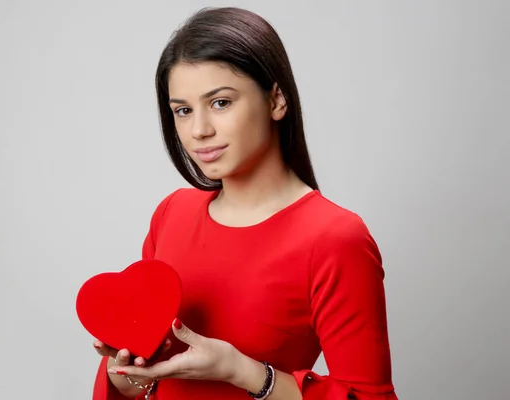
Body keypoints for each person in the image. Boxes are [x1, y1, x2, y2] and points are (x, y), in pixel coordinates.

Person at [91, 6, 398, 400]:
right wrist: (126, 372)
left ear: (276, 100)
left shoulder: (334, 238)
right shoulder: (173, 213)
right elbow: (142, 388)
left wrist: (243, 372)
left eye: (220, 102)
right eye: (183, 111)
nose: (199, 130)